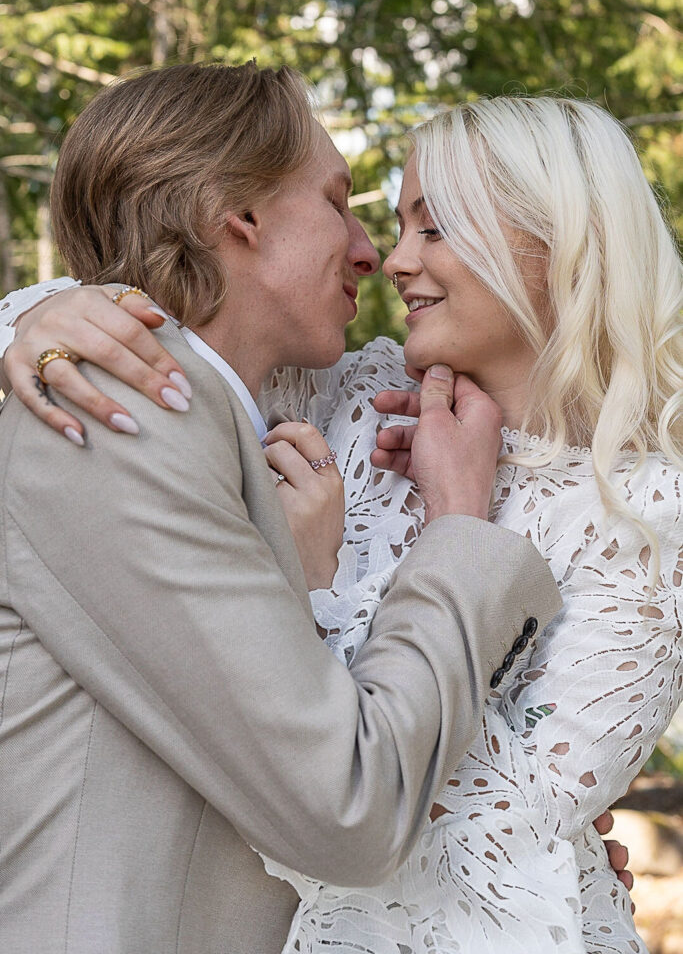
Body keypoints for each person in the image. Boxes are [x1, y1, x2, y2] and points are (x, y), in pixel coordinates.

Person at [5, 94, 680, 953]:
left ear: (560, 246)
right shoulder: (349, 395)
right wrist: (33, 319)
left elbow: (487, 834)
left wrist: (336, 579)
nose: (390, 260)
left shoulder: (646, 517)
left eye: (431, 229)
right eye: (381, 221)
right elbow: (181, 302)